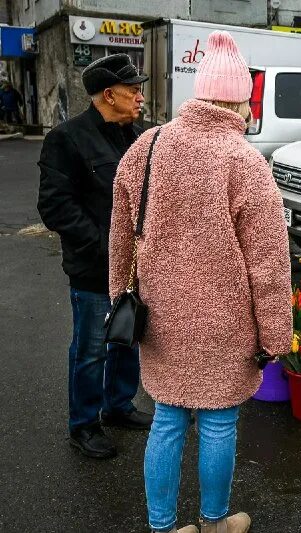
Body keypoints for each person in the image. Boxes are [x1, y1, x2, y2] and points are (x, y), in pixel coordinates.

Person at [109, 31, 292, 533]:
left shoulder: (146, 147)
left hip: (160, 317)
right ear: (237, 98)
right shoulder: (245, 161)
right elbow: (270, 263)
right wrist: (276, 334)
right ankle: (213, 523)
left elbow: (120, 233)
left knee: (167, 420)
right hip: (225, 324)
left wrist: (117, 295)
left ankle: (163, 527)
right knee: (218, 423)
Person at [37, 53, 152, 460]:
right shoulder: (66, 138)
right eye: (133, 90)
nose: (140, 97)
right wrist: (106, 245)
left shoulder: (139, 138)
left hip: (136, 267)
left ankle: (118, 405)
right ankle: (84, 424)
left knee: (128, 337)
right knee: (91, 349)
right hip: (94, 268)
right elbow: (55, 207)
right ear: (108, 94)